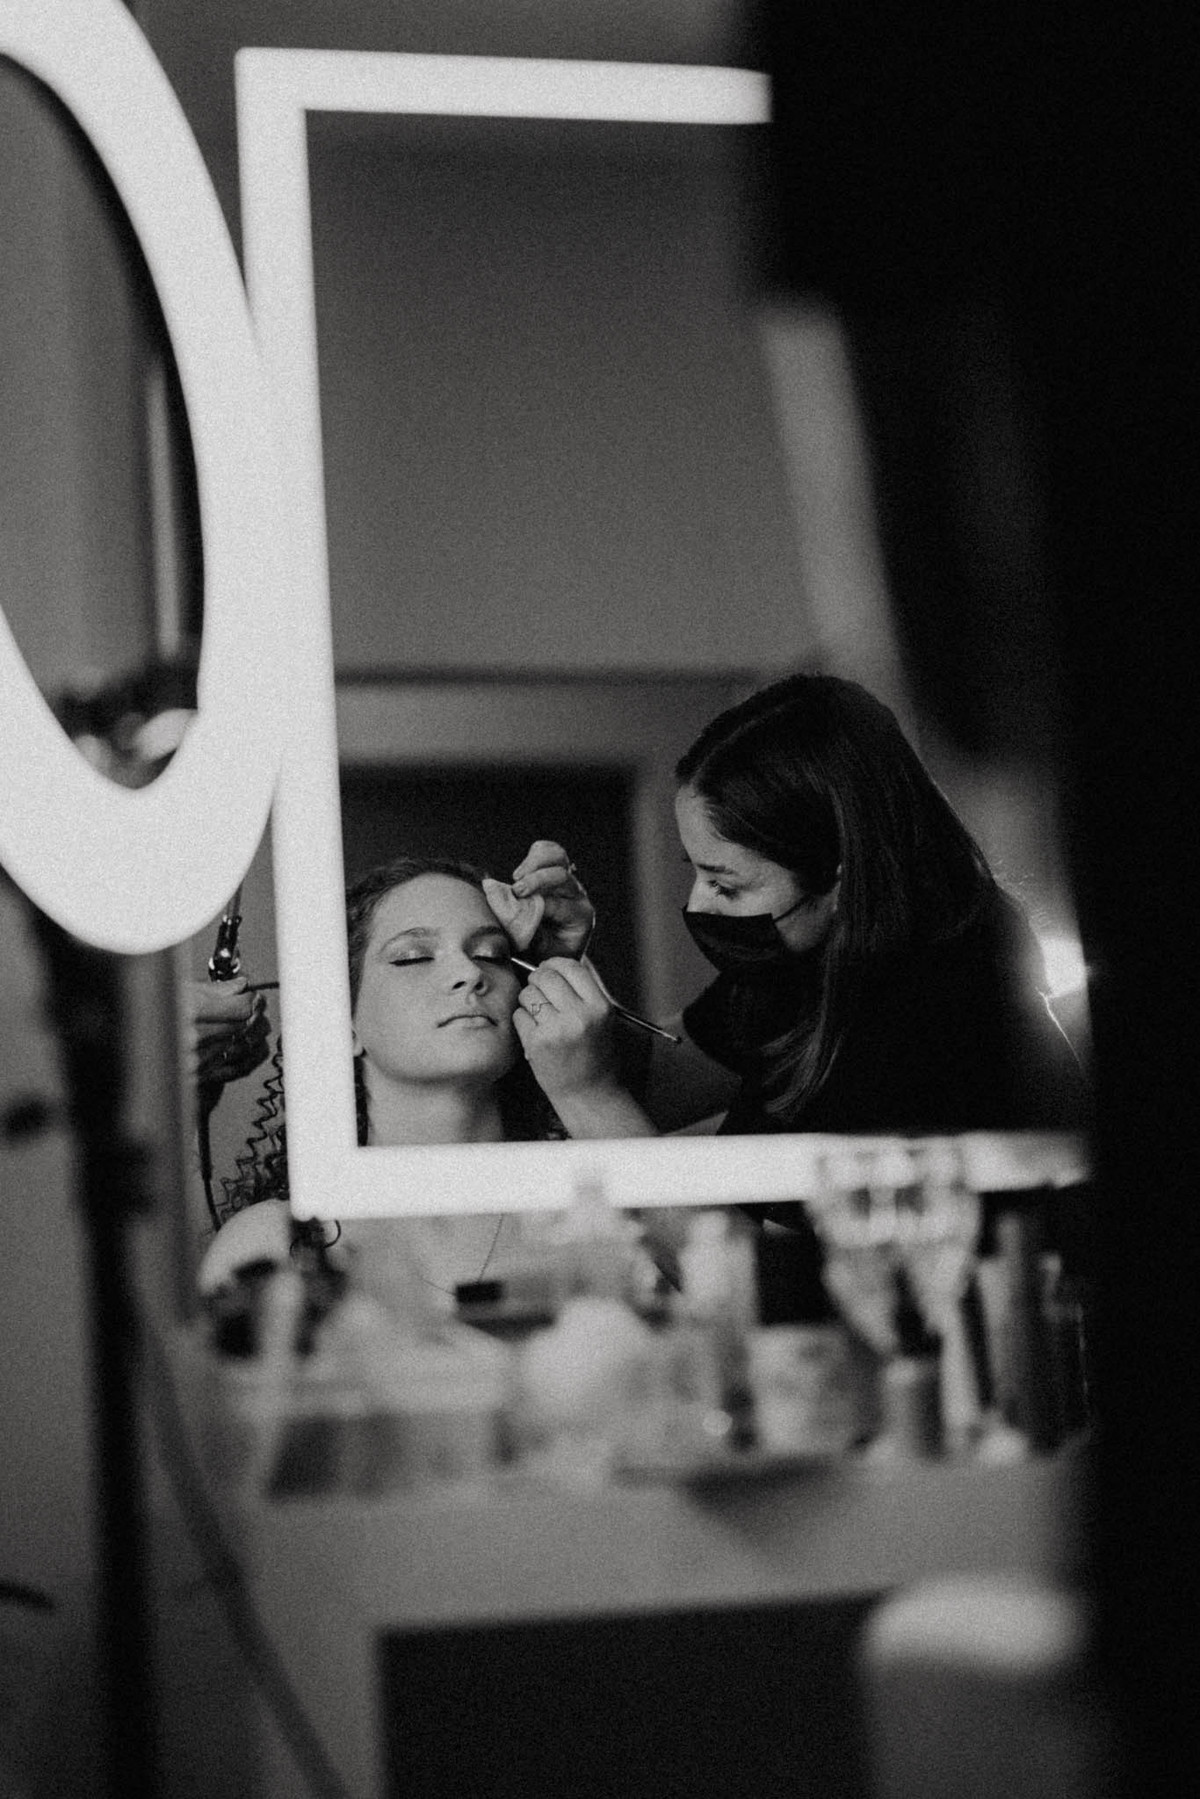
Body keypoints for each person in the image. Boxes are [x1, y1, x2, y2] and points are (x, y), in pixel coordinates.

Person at [501, 672, 1089, 1142]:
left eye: (726, 885)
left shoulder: (929, 1015)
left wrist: (588, 1097)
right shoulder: (802, 965)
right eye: (696, 871)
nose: (697, 903)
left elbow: (745, 1253)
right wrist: (560, 963)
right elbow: (661, 1083)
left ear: (841, 880)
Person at [198, 855, 567, 1298]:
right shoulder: (272, 1245)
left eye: (492, 954)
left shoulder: (584, 1214)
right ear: (345, 1023)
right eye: (413, 957)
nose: (470, 973)